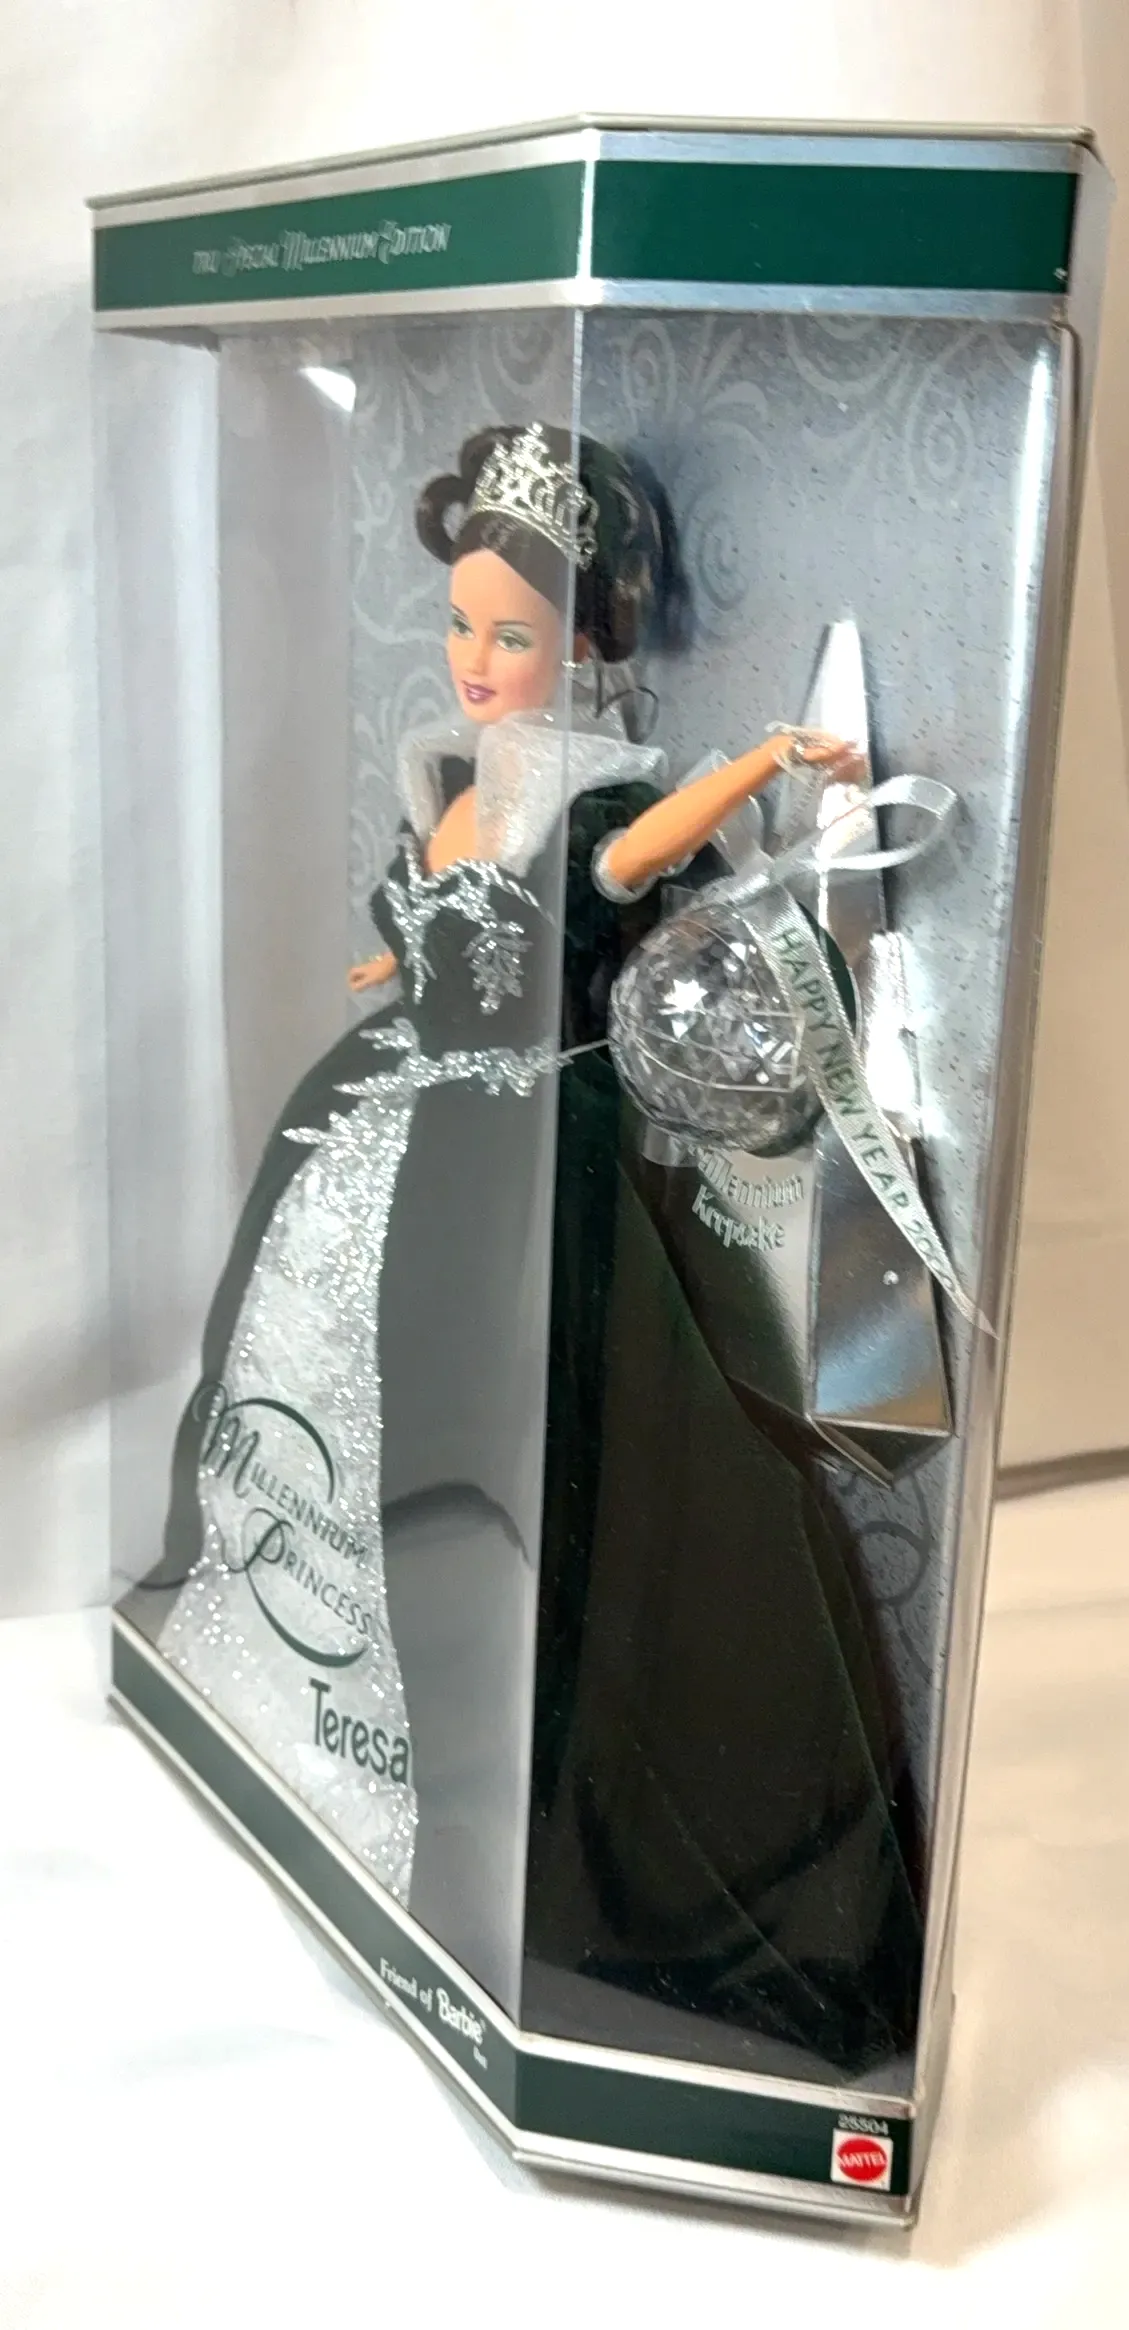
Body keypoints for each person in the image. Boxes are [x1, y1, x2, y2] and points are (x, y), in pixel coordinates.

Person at [123, 421, 921, 2073]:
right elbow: (431, 931)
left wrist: (765, 761)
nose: (476, 659)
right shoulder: (458, 780)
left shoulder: (582, 793)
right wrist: (390, 973)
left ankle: (502, 1805)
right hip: (386, 1107)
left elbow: (633, 857)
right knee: (302, 1365)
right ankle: (291, 1691)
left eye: (514, 633)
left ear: (584, 641)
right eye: (461, 623)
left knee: (539, 1447)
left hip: (518, 1145)